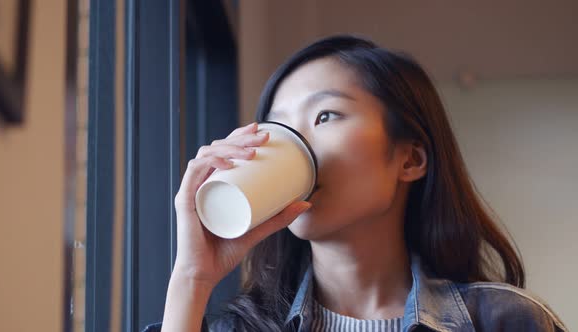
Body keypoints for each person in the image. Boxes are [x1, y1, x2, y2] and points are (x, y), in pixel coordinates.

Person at [144, 35, 567, 332]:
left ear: (411, 159)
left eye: (325, 115)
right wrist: (192, 280)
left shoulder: (505, 320)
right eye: (276, 126)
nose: (292, 143)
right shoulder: (239, 328)